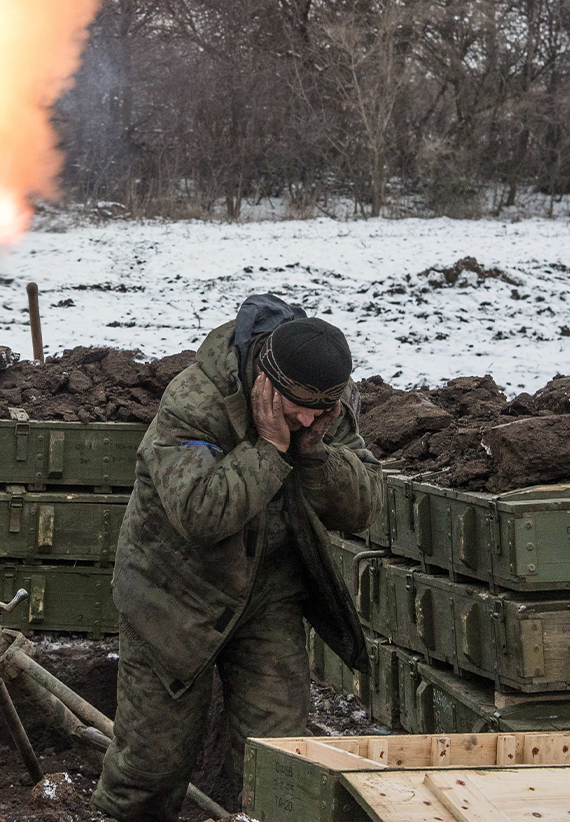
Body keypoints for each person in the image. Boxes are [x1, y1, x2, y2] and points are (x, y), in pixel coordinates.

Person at [93, 295, 379, 822]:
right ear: (264, 380)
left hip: (269, 592)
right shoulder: (194, 401)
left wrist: (315, 453)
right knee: (151, 768)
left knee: (280, 759)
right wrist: (271, 449)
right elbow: (201, 514)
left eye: (320, 410)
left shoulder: (323, 403)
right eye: (294, 406)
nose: (305, 418)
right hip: (172, 596)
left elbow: (363, 506)